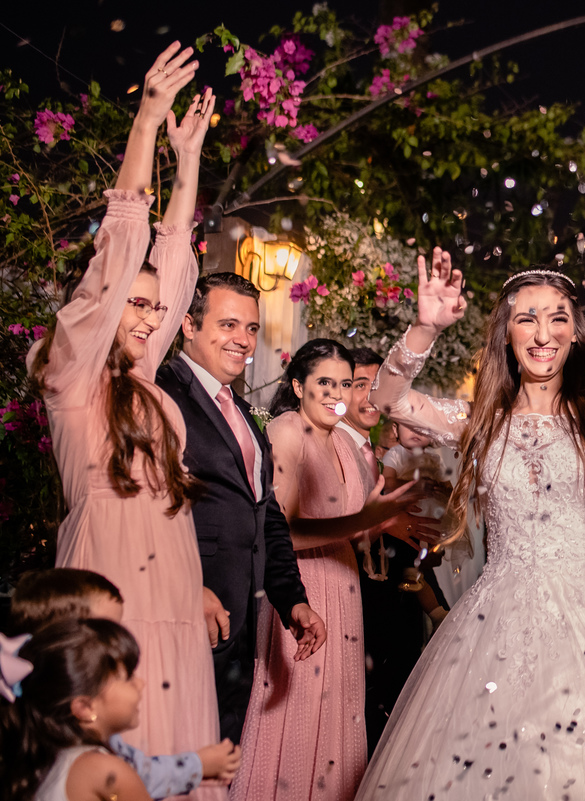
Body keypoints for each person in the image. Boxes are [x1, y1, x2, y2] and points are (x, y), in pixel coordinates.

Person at [357, 250, 585, 799]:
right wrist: (425, 327)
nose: (542, 333)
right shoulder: (479, 423)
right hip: (498, 625)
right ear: (506, 335)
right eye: (526, 318)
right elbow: (387, 400)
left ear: (574, 334)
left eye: (558, 318)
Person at [25, 43, 223, 792]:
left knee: (176, 734)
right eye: (133, 306)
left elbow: (171, 260)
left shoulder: (146, 378)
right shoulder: (72, 376)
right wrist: (145, 124)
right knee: (119, 742)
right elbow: (121, 252)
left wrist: (189, 160)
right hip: (108, 577)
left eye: (153, 309)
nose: (147, 316)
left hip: (174, 579)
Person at [231, 340, 414, 801]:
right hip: (302, 588)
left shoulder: (345, 445)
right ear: (298, 386)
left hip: (344, 587)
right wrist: (361, 523)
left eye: (346, 384)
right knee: (298, 710)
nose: (338, 394)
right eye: (325, 383)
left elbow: (353, 525)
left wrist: (390, 524)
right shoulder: (288, 431)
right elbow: (283, 531)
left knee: (339, 713)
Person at [156, 272, 325, 744]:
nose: (243, 340)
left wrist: (292, 600)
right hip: (183, 615)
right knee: (174, 754)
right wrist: (185, 587)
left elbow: (265, 515)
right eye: (228, 325)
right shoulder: (161, 394)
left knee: (222, 757)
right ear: (189, 325)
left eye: (251, 328)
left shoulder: (246, 413)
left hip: (241, 622)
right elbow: (145, 510)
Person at [7, 569, 242, 798]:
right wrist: (197, 765)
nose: (140, 683)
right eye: (103, 630)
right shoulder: (102, 769)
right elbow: (139, 776)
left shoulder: (39, 739)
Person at [338, 348, 446, 755]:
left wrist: (425, 543)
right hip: (362, 602)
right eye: (359, 385)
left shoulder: (375, 454)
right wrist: (386, 524)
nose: (370, 397)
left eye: (376, 387)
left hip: (397, 602)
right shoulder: (336, 446)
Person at [1, 619, 156, 801]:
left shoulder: (40, 768)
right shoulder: (104, 771)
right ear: (85, 707)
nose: (141, 684)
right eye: (128, 678)